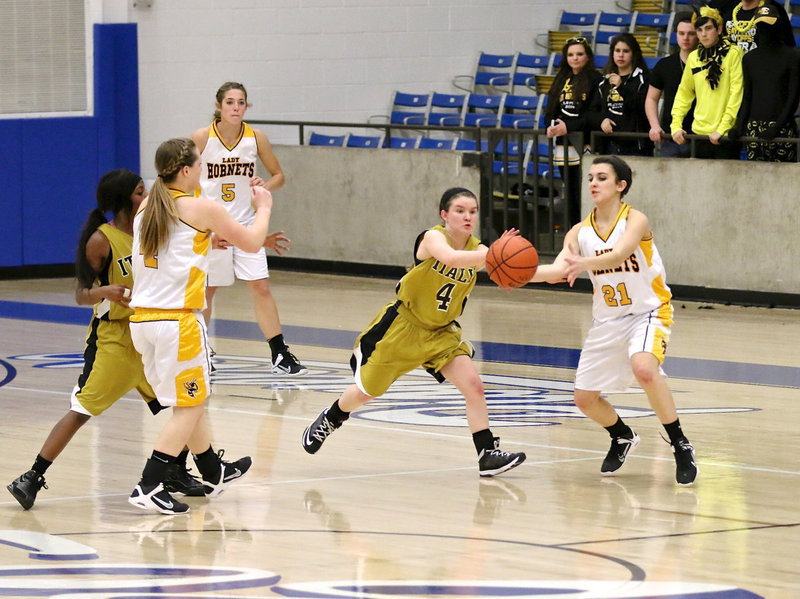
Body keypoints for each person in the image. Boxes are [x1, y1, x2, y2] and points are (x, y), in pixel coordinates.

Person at [6, 170, 204, 511]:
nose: (147, 195)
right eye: (140, 191)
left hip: (148, 332)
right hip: (113, 340)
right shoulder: (101, 240)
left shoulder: (150, 228)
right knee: (82, 410)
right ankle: (32, 476)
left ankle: (175, 472)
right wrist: (105, 291)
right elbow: (81, 294)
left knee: (185, 404)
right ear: (124, 200)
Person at [300, 188, 526, 477]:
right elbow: (451, 258)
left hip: (441, 333)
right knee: (367, 391)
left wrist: (551, 273)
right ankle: (332, 417)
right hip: (404, 328)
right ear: (444, 215)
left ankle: (487, 454)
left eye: (472, 211)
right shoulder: (432, 238)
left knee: (474, 385)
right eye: (460, 211)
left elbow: (513, 268)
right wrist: (495, 255)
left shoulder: (479, 249)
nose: (467, 216)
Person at [528, 156, 697, 486]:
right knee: (584, 399)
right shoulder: (578, 232)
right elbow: (557, 270)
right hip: (608, 320)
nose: (593, 183)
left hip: (649, 311)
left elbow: (619, 253)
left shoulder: (636, 219)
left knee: (644, 368)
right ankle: (622, 435)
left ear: (621, 185)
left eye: (602, 177)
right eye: (590, 177)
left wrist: (582, 264)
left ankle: (680, 442)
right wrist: (513, 276)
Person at [127, 137, 273, 515]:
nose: (203, 170)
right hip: (177, 322)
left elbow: (176, 248)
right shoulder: (201, 207)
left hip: (143, 320)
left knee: (187, 400)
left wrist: (207, 240)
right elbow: (253, 242)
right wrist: (264, 206)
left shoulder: (147, 207)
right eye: (199, 164)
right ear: (186, 170)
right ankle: (148, 484)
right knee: (190, 406)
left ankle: (212, 470)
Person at [191, 81, 307, 376]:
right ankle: (201, 349)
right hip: (213, 227)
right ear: (218, 106)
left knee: (261, 286)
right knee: (207, 290)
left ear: (246, 106)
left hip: (245, 225)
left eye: (241, 102)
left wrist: (263, 186)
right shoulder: (202, 137)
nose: (236, 108)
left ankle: (279, 352)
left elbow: (279, 175)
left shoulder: (256, 138)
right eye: (230, 102)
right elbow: (183, 178)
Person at [671, 4, 744, 159]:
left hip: (725, 135)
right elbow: (684, 93)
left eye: (708, 28)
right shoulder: (694, 57)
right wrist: (675, 125)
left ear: (719, 29)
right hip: (699, 133)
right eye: (699, 30)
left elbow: (736, 93)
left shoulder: (734, 53)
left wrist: (723, 128)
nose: (703, 34)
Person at [545, 37, 603, 226]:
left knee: (585, 192)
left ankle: (591, 229)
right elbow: (551, 109)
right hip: (563, 146)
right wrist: (550, 126)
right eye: (570, 55)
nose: (575, 58)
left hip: (585, 143)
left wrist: (569, 127)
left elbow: (593, 115)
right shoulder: (561, 78)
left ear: (587, 57)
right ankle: (573, 230)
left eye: (579, 54)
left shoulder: (596, 79)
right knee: (569, 192)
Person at [731, 3, 800, 161]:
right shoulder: (749, 59)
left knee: (784, 175)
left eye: (768, 25)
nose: (764, 30)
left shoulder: (793, 57)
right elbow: (747, 96)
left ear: (777, 26)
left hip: (783, 129)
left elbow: (793, 98)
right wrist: (739, 125)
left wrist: (777, 127)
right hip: (754, 128)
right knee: (753, 174)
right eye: (760, 26)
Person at [645, 12, 699, 158]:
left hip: (701, 134)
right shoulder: (665, 65)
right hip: (671, 136)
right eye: (681, 33)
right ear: (676, 34)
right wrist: (655, 125)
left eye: (691, 33)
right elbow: (651, 98)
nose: (685, 38)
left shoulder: (708, 63)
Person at [593, 33, 652, 156]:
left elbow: (642, 107)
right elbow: (594, 110)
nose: (621, 55)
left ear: (633, 54)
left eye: (626, 51)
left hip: (636, 146)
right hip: (609, 146)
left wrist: (621, 88)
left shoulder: (644, 79)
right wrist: (601, 120)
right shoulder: (604, 81)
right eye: (617, 51)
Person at [712, 0, 795, 53]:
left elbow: (788, 46)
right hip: (732, 69)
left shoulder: (773, 10)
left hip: (760, 68)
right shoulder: (726, 7)